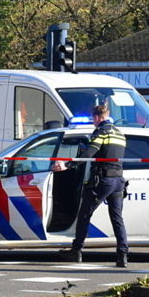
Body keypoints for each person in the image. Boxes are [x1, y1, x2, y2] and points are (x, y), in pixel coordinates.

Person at [53, 104, 129, 267]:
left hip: (103, 180)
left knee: (84, 214)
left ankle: (76, 251)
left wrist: (68, 165)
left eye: (93, 119)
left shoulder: (101, 131)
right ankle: (122, 255)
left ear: (96, 117)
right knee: (117, 219)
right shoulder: (119, 133)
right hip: (118, 180)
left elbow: (89, 153)